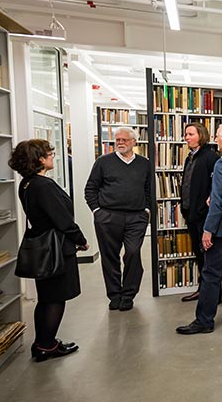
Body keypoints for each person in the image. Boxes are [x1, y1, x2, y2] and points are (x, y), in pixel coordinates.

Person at [9, 139, 89, 362]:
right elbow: (62, 219)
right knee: (56, 298)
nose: (52, 156)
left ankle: (41, 342)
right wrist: (80, 239)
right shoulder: (43, 186)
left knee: (45, 298)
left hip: (42, 248)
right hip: (56, 249)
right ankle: (47, 345)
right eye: (49, 153)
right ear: (39, 159)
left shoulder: (26, 183)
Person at [177, 122, 222, 334]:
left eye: (218, 137)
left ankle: (204, 320)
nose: (216, 140)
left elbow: (219, 200)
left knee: (210, 273)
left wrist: (208, 230)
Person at [84, 126, 152, 311]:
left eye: (124, 140)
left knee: (132, 252)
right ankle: (115, 295)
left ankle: (129, 294)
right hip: (108, 217)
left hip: (136, 217)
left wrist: (146, 209)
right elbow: (90, 188)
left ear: (134, 142)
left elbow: (149, 189)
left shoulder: (144, 163)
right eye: (117, 140)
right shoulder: (103, 162)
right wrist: (97, 211)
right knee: (109, 257)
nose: (120, 143)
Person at [179, 123, 218, 302]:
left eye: (190, 134)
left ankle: (210, 294)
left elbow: (215, 186)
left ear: (200, 135)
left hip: (203, 214)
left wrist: (206, 205)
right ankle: (203, 290)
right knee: (198, 252)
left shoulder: (210, 157)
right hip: (190, 213)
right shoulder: (190, 158)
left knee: (207, 255)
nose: (186, 137)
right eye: (186, 134)